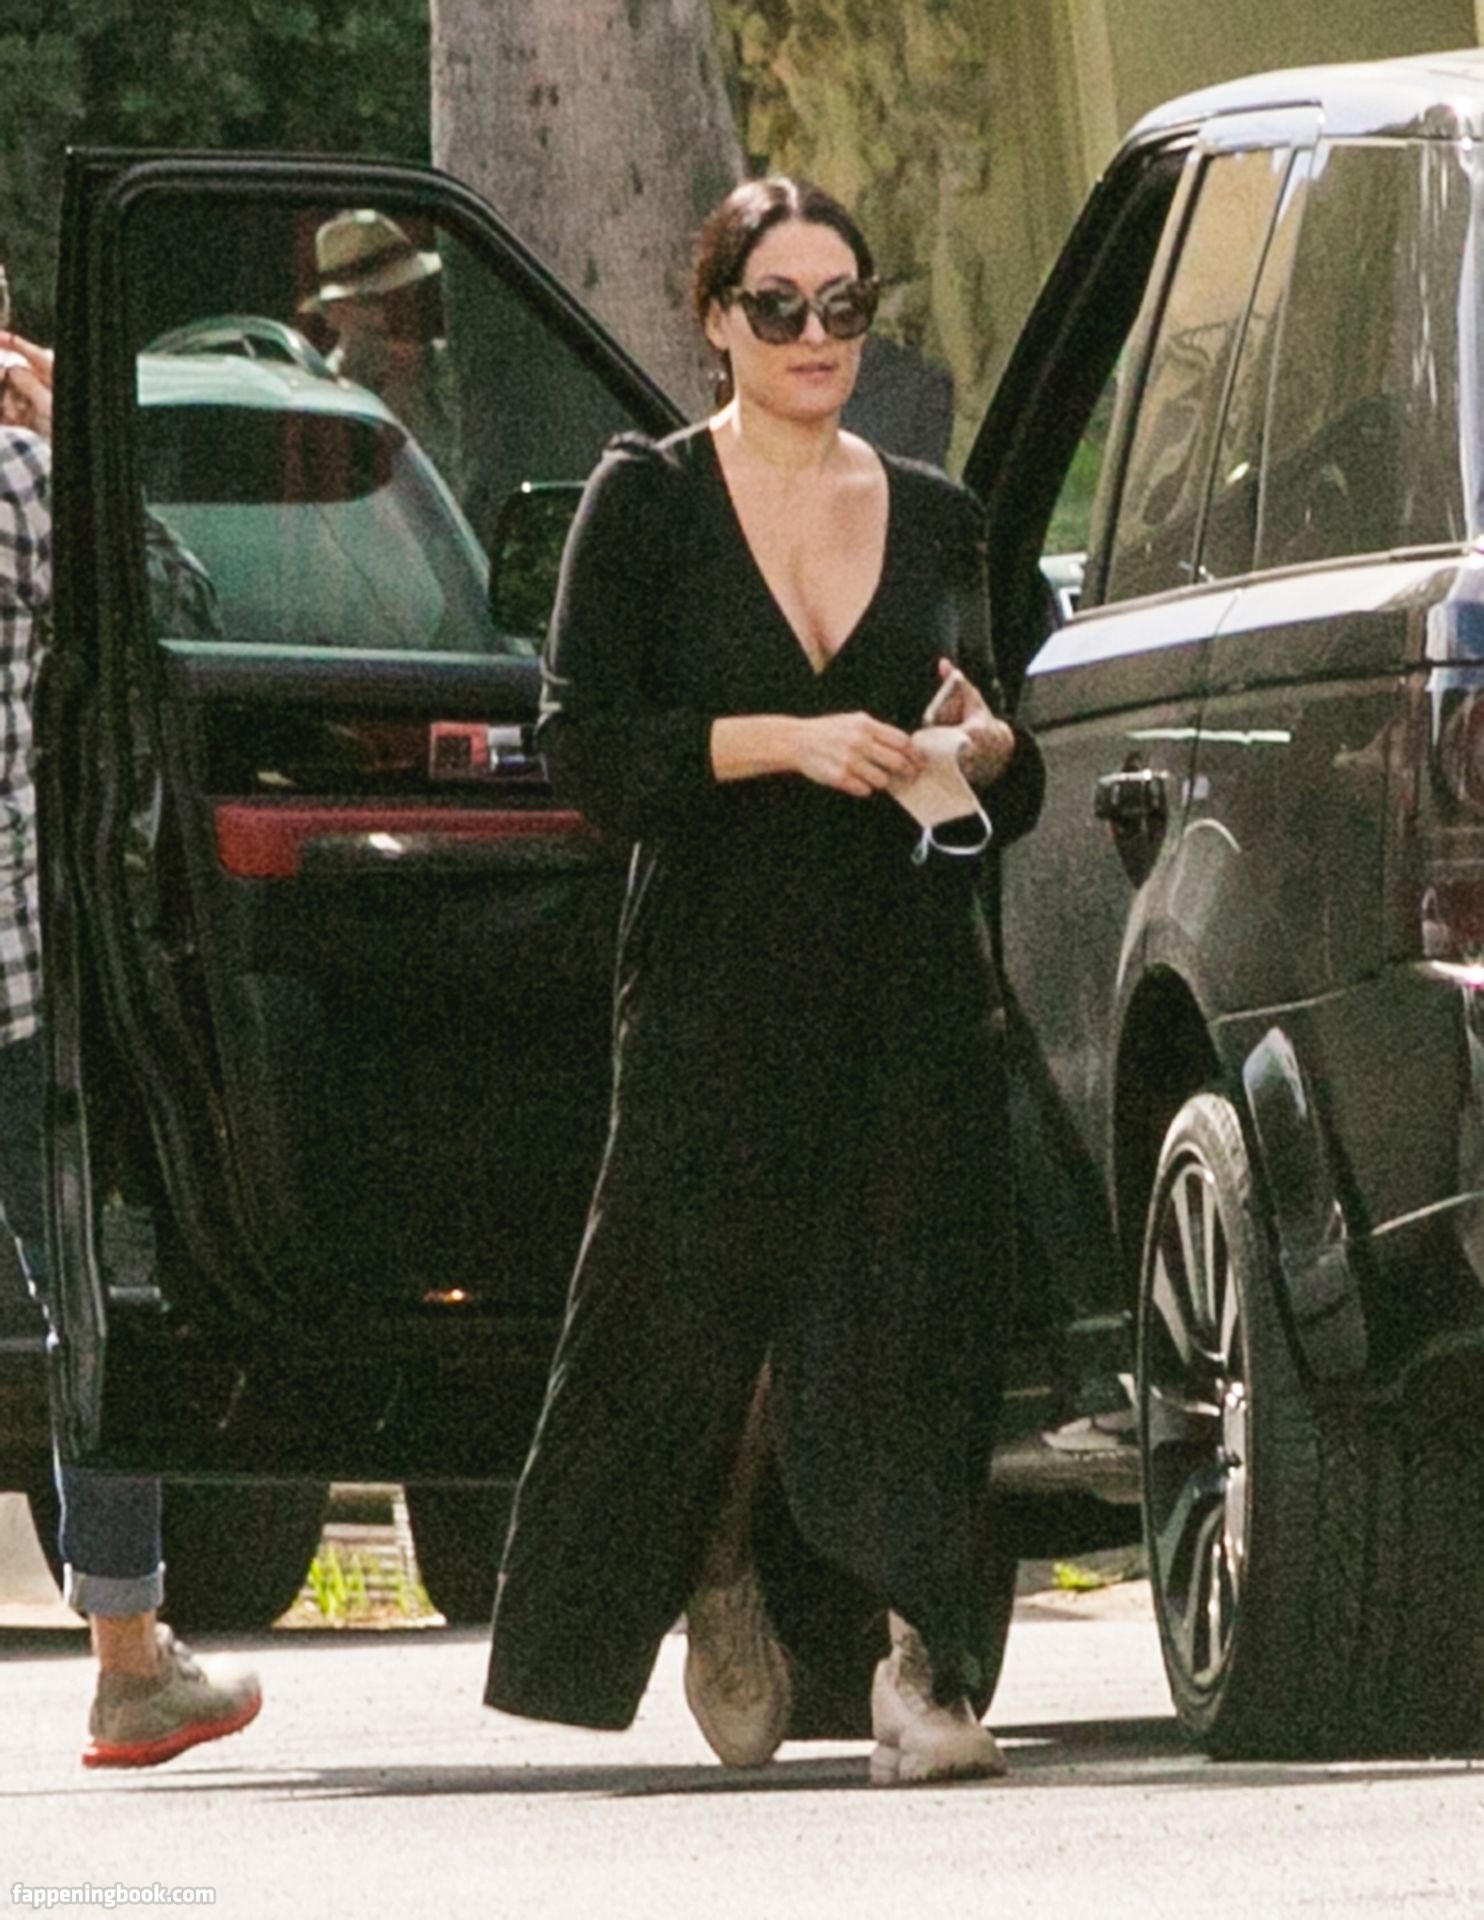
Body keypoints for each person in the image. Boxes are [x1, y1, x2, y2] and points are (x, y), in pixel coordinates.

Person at [484, 178, 1045, 1783]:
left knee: (913, 1316)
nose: (817, 336)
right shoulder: (649, 503)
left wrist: (983, 749)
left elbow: (1007, 774)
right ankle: (720, 1571)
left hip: (900, 968)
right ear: (717, 318)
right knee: (699, 1322)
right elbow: (586, 749)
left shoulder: (938, 517)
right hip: (716, 977)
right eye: (781, 306)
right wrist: (781, 741)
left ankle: (922, 1671)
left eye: (844, 307)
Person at [0, 327, 261, 1767]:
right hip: (20, 983)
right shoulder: (24, 481)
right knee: (90, 1298)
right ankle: (127, 1660)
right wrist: (78, 450)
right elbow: (177, 615)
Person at [299, 208, 459, 482]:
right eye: (380, 300)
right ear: (338, 313)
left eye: (407, 293)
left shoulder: (450, 369)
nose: (403, 310)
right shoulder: (323, 396)